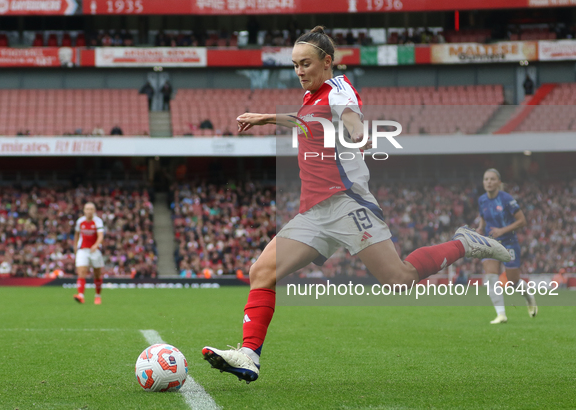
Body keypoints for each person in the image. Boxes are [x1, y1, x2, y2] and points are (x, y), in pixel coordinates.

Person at [201, 26, 511, 384]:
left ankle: (465, 243)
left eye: (306, 64)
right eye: (295, 65)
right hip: (315, 212)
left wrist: (358, 133)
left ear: (327, 62)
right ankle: (250, 355)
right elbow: (305, 121)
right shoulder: (312, 96)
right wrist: (266, 118)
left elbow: (351, 117)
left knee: (399, 279)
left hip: (347, 204)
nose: (299, 71)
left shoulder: (338, 89)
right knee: (261, 272)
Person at [477, 168, 537, 324]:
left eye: (492, 179)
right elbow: (483, 218)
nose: (489, 182)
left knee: (512, 281)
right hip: (490, 242)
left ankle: (529, 298)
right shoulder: (482, 200)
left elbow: (522, 221)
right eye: (486, 179)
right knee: (491, 277)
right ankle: (501, 314)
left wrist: (502, 230)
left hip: (509, 242)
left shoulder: (506, 199)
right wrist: (479, 228)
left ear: (498, 182)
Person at [73, 202, 105, 305]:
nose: (89, 211)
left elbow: (100, 235)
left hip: (95, 250)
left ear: (94, 210)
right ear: (84, 210)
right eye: (87, 209)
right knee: (81, 272)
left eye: (91, 209)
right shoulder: (80, 221)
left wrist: (96, 245)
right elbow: (77, 235)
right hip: (83, 250)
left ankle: (97, 296)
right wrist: (75, 248)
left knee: (97, 274)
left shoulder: (98, 221)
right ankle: (81, 295)